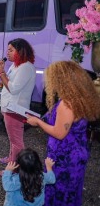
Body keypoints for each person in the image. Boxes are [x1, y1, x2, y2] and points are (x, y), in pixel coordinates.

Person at [26, 61, 100, 206]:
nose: (49, 82)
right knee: (70, 191)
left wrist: (38, 123)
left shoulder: (67, 103)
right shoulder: (79, 98)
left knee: (59, 190)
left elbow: (59, 133)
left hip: (65, 156)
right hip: (76, 152)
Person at [0, 38, 36, 163]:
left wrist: (1, 74)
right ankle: (12, 158)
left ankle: (15, 168)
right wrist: (3, 71)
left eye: (11, 50)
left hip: (15, 108)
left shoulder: (25, 67)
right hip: (9, 106)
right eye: (7, 50)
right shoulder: (16, 65)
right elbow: (8, 82)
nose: (7, 53)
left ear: (20, 51)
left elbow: (13, 88)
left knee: (16, 140)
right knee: (12, 138)